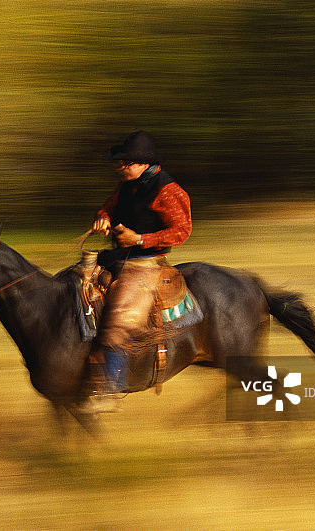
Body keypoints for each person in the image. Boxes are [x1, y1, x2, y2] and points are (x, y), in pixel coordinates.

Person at [82, 130, 192, 413]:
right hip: (118, 256)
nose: (121, 166)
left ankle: (111, 388)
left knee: (120, 317)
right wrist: (103, 219)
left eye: (127, 162)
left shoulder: (169, 191)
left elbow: (182, 231)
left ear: (144, 162)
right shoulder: (126, 185)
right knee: (74, 284)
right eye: (121, 162)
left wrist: (140, 240)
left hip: (145, 264)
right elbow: (109, 207)